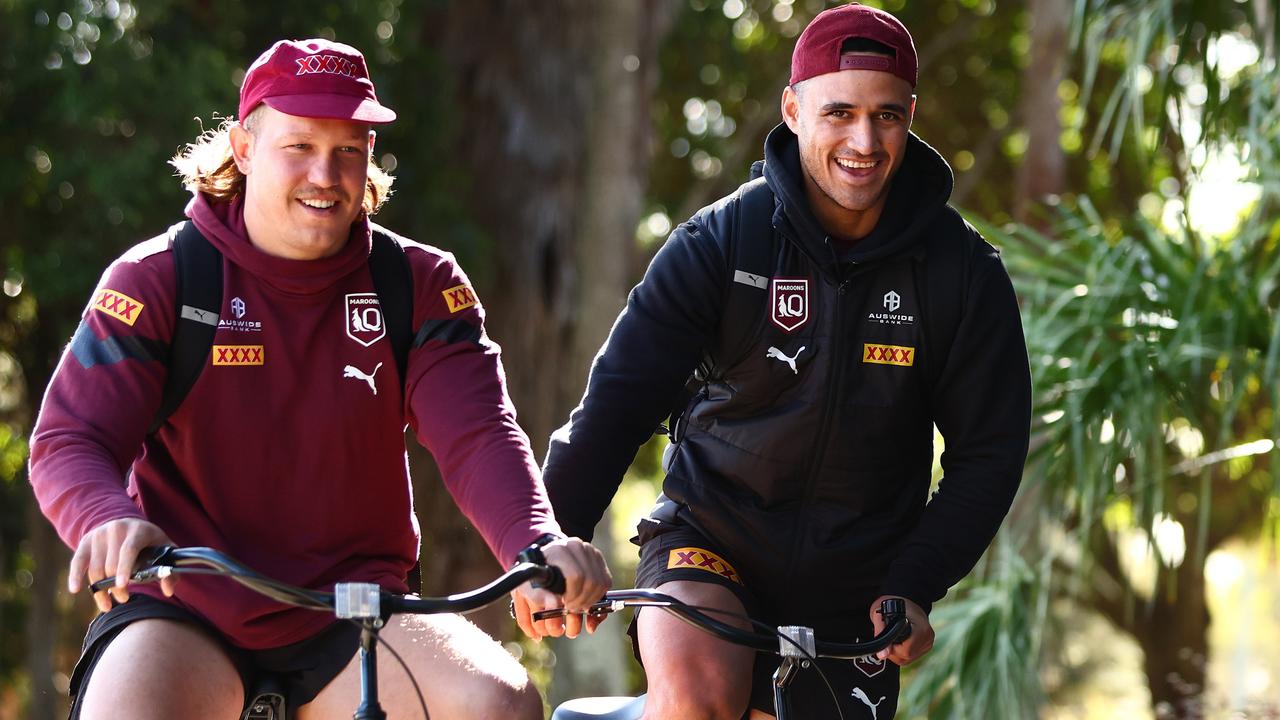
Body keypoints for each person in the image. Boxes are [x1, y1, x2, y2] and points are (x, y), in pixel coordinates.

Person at [29, 38, 610, 720]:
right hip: (186, 605)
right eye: (299, 146)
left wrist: (535, 544)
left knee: (499, 704)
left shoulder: (418, 284)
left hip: (356, 612)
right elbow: (70, 439)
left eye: (348, 151)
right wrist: (109, 519)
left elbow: (479, 434)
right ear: (244, 148)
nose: (325, 175)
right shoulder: (157, 278)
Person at [542, 4, 1031, 719]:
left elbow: (989, 454)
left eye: (887, 116)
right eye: (839, 113)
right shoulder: (721, 242)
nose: (864, 141)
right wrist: (549, 546)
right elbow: (615, 408)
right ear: (794, 109)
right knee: (699, 698)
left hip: (858, 591)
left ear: (911, 116)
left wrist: (915, 583)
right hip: (708, 548)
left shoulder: (963, 275)